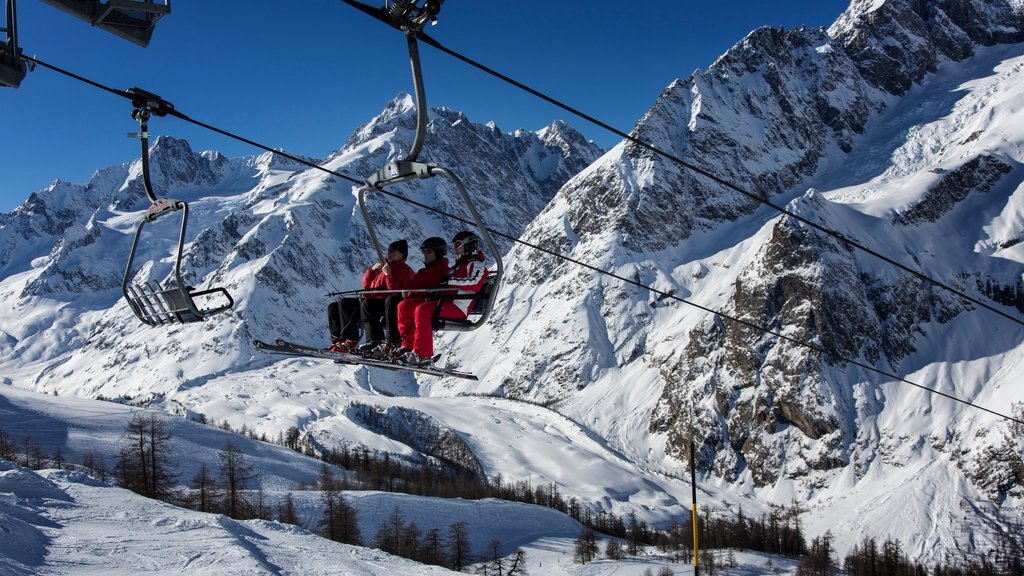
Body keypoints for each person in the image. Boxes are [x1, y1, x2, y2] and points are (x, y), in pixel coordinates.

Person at [396, 230, 489, 366]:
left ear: (468, 245)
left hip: (458, 307)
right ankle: (408, 346)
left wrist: (450, 282)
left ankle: (422, 355)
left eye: (458, 244)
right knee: (404, 306)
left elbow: (475, 283)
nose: (455, 248)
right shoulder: (459, 265)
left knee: (423, 310)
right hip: (445, 302)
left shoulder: (476, 264)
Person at [370, 236, 451, 359]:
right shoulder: (424, 271)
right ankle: (406, 346)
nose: (425, 255)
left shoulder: (441, 270)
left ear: (438, 252)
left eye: (428, 252)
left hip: (431, 303)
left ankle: (401, 346)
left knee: (397, 302)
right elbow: (411, 288)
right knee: (403, 305)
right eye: (424, 252)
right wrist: (371, 272)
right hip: (416, 300)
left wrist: (390, 277)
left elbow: (434, 288)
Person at [327, 239, 414, 353]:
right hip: (375, 299)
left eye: (394, 252)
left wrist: (389, 275)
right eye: (389, 251)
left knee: (367, 304)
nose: (390, 254)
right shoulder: (383, 268)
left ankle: (373, 339)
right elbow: (368, 287)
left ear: (402, 255)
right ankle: (340, 339)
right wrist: (372, 271)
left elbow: (396, 292)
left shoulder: (405, 270)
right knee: (338, 305)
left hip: (388, 303)